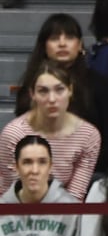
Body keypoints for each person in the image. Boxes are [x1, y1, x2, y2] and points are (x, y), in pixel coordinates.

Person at [15, 13, 108, 174]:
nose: (62, 43)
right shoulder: (30, 86)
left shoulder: (102, 85)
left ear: (80, 45)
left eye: (70, 37)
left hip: (93, 173)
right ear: (44, 46)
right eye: (55, 38)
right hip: (37, 173)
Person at [0, 61, 100, 201]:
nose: (52, 99)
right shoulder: (14, 133)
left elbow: (75, 196)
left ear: (70, 90)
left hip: (63, 212)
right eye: (43, 91)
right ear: (32, 94)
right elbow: (13, 190)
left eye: (59, 90)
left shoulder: (88, 135)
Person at [0, 135, 86, 236]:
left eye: (42, 162)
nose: (34, 170)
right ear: (16, 166)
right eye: (27, 162)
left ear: (51, 167)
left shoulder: (72, 209)